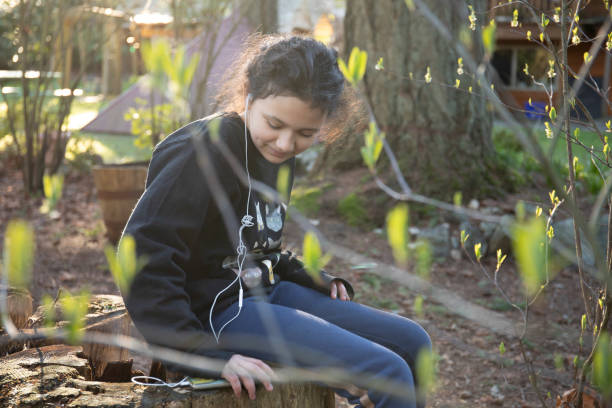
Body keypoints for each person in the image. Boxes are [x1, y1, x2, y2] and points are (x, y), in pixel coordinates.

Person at [122, 34, 431, 408]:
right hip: (219, 311)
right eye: (275, 123)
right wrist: (199, 354)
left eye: (304, 134)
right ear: (249, 93)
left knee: (415, 343)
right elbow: (141, 256)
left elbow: (253, 241)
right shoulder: (200, 150)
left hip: (265, 293)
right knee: (388, 371)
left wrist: (306, 275)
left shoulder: (276, 154)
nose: (285, 144)